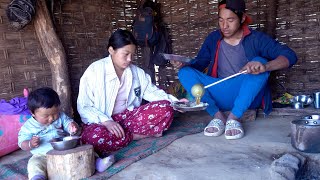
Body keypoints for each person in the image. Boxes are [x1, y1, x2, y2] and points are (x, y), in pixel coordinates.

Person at [171, 0, 297, 140]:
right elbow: (199, 65)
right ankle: (218, 117)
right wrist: (183, 64)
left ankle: (233, 118)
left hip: (246, 96)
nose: (224, 26)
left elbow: (290, 56)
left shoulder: (256, 39)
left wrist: (265, 66)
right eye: (221, 20)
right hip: (218, 94)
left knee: (260, 61)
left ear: (242, 18)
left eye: (230, 20)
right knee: (185, 72)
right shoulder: (213, 38)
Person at [77, 29, 187, 172]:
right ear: (111, 50)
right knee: (92, 138)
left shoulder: (136, 72)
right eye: (125, 54)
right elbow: (84, 106)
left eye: (132, 54)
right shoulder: (95, 71)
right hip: (102, 123)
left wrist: (175, 102)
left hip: (128, 118)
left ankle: (124, 136)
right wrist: (107, 121)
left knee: (165, 108)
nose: (129, 59)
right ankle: (137, 136)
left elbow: (152, 92)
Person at [18, 87, 79, 180]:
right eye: (46, 116)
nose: (51, 119)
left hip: (65, 150)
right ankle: (38, 177)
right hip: (43, 155)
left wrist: (72, 127)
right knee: (34, 164)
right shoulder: (28, 127)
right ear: (33, 113)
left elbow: (68, 123)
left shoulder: (61, 116)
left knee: (81, 150)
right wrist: (30, 143)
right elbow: (22, 143)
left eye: (55, 114)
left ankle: (97, 162)